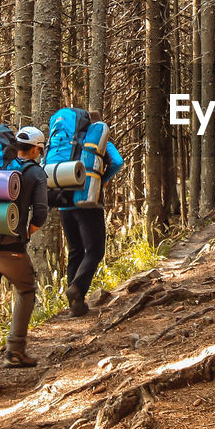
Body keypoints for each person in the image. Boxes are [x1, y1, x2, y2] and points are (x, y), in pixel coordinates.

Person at [0, 126, 49, 401]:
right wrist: (25, 232)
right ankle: (15, 349)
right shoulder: (35, 173)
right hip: (10, 250)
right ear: (37, 149)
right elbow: (40, 213)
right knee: (26, 289)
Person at [61, 111, 124, 318]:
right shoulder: (98, 139)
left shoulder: (67, 141)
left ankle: (76, 306)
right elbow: (117, 162)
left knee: (75, 251)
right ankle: (77, 287)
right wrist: (100, 180)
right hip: (88, 202)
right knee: (95, 251)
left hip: (64, 204)